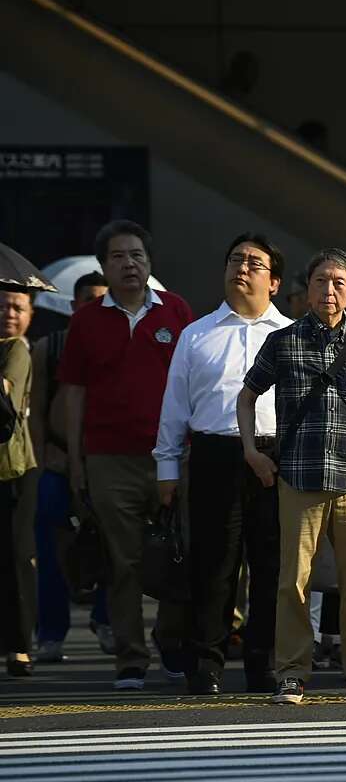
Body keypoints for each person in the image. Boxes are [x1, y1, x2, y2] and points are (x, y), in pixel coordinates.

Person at [237, 248, 346, 704]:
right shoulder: (284, 341)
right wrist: (252, 452)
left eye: (338, 283)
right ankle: (291, 672)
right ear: (305, 289)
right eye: (319, 282)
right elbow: (247, 397)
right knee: (293, 581)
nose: (328, 291)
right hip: (297, 477)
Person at [58, 220, 194, 691]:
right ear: (104, 266)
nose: (129, 263)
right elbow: (73, 395)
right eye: (118, 256)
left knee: (181, 557)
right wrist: (76, 461)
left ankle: (172, 643)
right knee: (123, 562)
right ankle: (130, 658)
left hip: (170, 455)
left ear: (149, 263)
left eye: (136, 255)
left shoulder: (176, 311)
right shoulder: (86, 320)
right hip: (108, 458)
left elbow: (191, 387)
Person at [153, 234, 291, 695]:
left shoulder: (291, 335)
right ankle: (206, 664)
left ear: (273, 282)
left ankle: (263, 662)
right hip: (215, 454)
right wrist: (167, 470)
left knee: (271, 566)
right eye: (235, 259)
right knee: (213, 566)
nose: (242, 268)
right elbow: (174, 407)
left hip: (276, 457)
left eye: (255, 263)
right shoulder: (198, 333)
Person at [30, 272, 113, 664]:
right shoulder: (50, 347)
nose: (94, 307)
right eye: (87, 300)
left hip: (106, 459)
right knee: (50, 547)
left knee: (116, 545)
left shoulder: (119, 343)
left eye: (101, 300)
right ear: (73, 306)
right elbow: (39, 409)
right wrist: (44, 454)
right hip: (58, 460)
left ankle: (106, 618)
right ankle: (51, 632)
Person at [0, 287, 37, 677]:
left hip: (12, 467)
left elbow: (5, 391)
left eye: (17, 307)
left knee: (16, 558)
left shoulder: (16, 349)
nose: (9, 313)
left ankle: (20, 645)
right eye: (2, 306)